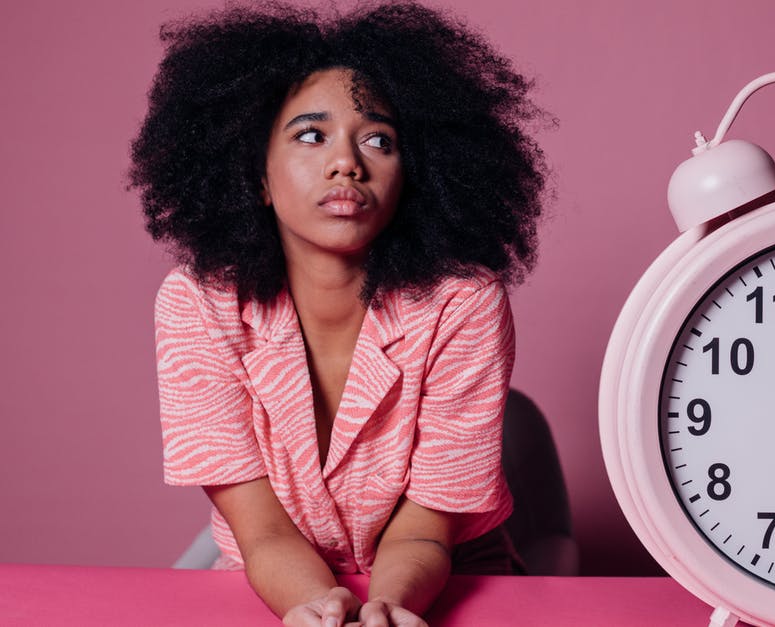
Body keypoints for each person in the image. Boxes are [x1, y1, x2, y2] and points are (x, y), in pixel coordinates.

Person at [128, 3, 548, 625]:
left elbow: (426, 535)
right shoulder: (199, 305)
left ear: (413, 176)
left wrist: (386, 609)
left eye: (378, 139)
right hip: (275, 585)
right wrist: (318, 610)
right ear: (258, 175)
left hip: (444, 582)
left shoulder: (465, 302)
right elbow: (263, 533)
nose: (347, 161)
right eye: (310, 134)